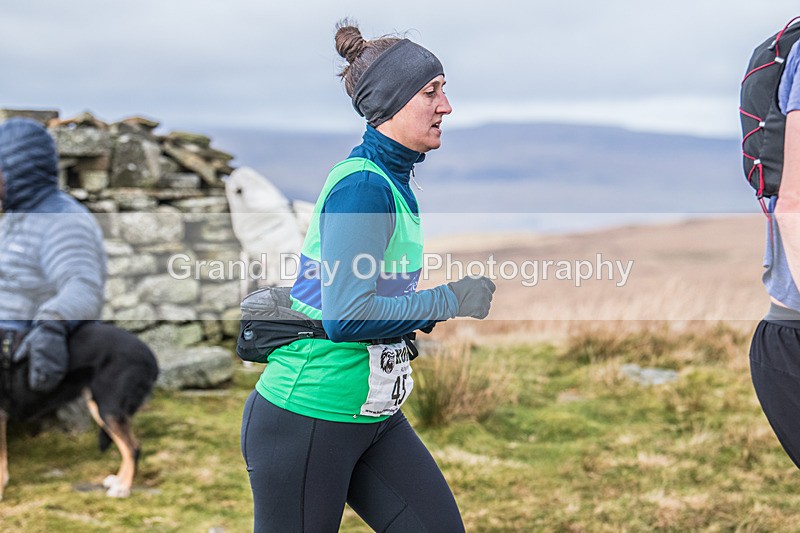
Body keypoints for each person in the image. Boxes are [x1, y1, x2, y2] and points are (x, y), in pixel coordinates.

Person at [240, 21, 496, 532]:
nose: (446, 107)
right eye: (431, 92)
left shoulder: (393, 181)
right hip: (308, 414)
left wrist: (420, 314)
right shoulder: (363, 187)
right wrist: (448, 300)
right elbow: (347, 317)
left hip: (373, 416)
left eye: (443, 90)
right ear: (391, 103)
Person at [0, 117, 106, 394]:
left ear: (16, 169)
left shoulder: (62, 221)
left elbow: (83, 287)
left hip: (23, 351)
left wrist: (51, 323)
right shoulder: (17, 216)